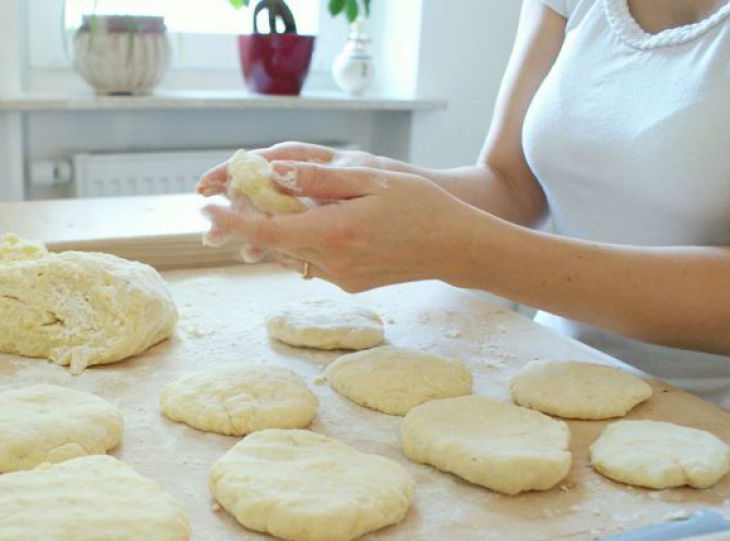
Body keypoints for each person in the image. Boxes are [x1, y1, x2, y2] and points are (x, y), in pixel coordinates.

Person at [196, 0, 730, 409]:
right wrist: (358, 177)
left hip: (709, 422)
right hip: (556, 376)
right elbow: (509, 184)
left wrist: (464, 251)